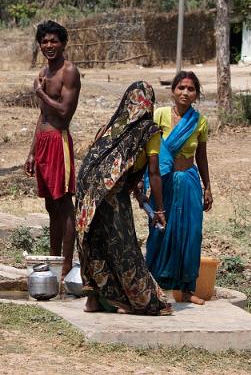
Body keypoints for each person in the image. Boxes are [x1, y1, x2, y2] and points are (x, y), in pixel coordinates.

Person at [75, 81, 172, 316]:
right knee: (123, 246)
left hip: (86, 190)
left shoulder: (113, 126)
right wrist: (160, 210)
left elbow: (121, 165)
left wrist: (136, 188)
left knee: (94, 242)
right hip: (109, 192)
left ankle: (94, 300)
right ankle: (141, 300)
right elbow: (154, 172)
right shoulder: (149, 130)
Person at [145, 71, 212, 305]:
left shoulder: (199, 121)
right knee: (160, 232)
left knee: (191, 234)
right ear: (173, 90)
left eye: (191, 89)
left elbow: (201, 156)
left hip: (189, 181)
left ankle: (185, 290)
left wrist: (207, 187)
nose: (185, 92)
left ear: (196, 94)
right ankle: (151, 285)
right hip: (162, 183)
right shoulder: (159, 115)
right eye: (181, 87)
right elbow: (147, 150)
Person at [24, 20, 80, 279]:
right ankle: (54, 259)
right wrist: (32, 151)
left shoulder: (69, 71)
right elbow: (43, 114)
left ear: (63, 43)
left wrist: (41, 94)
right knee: (50, 205)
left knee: (64, 203)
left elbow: (65, 112)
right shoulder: (43, 73)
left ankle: (67, 264)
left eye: (53, 41)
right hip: (44, 142)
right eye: (44, 41)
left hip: (59, 141)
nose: (49, 46)